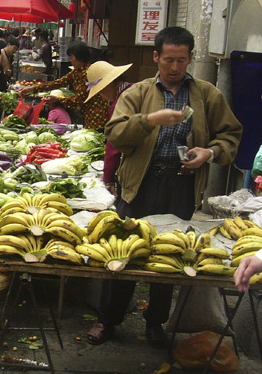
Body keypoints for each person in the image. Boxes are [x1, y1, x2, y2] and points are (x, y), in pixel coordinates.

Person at [86, 27, 243, 348]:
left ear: (190, 59)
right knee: (123, 253)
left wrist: (209, 153)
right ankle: (108, 319)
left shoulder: (207, 95)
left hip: (181, 186)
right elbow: (115, 133)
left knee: (169, 257)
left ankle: (155, 321)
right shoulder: (138, 94)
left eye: (181, 61)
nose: (174, 67)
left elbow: (230, 136)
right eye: (168, 59)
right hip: (138, 185)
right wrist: (151, 120)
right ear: (156, 57)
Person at [20, 40, 111, 131]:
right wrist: (31, 89)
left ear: (80, 57)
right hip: (88, 114)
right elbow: (57, 83)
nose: (70, 60)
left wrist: (57, 99)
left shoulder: (87, 74)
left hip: (97, 116)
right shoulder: (76, 72)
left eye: (72, 57)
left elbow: (79, 101)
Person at [83, 61, 134, 195]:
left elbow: (114, 144)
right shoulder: (135, 89)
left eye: (100, 92)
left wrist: (108, 179)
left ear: (107, 86)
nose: (102, 97)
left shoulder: (120, 103)